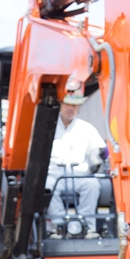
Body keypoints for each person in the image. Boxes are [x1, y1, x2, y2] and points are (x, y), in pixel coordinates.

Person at [46, 78, 106, 238]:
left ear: (78, 106)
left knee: (93, 185)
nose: (70, 108)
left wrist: (103, 154)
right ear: (60, 104)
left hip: (80, 176)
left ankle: (87, 226)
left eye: (74, 105)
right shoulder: (47, 127)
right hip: (54, 176)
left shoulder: (87, 129)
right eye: (67, 104)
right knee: (46, 186)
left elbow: (97, 155)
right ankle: (57, 227)